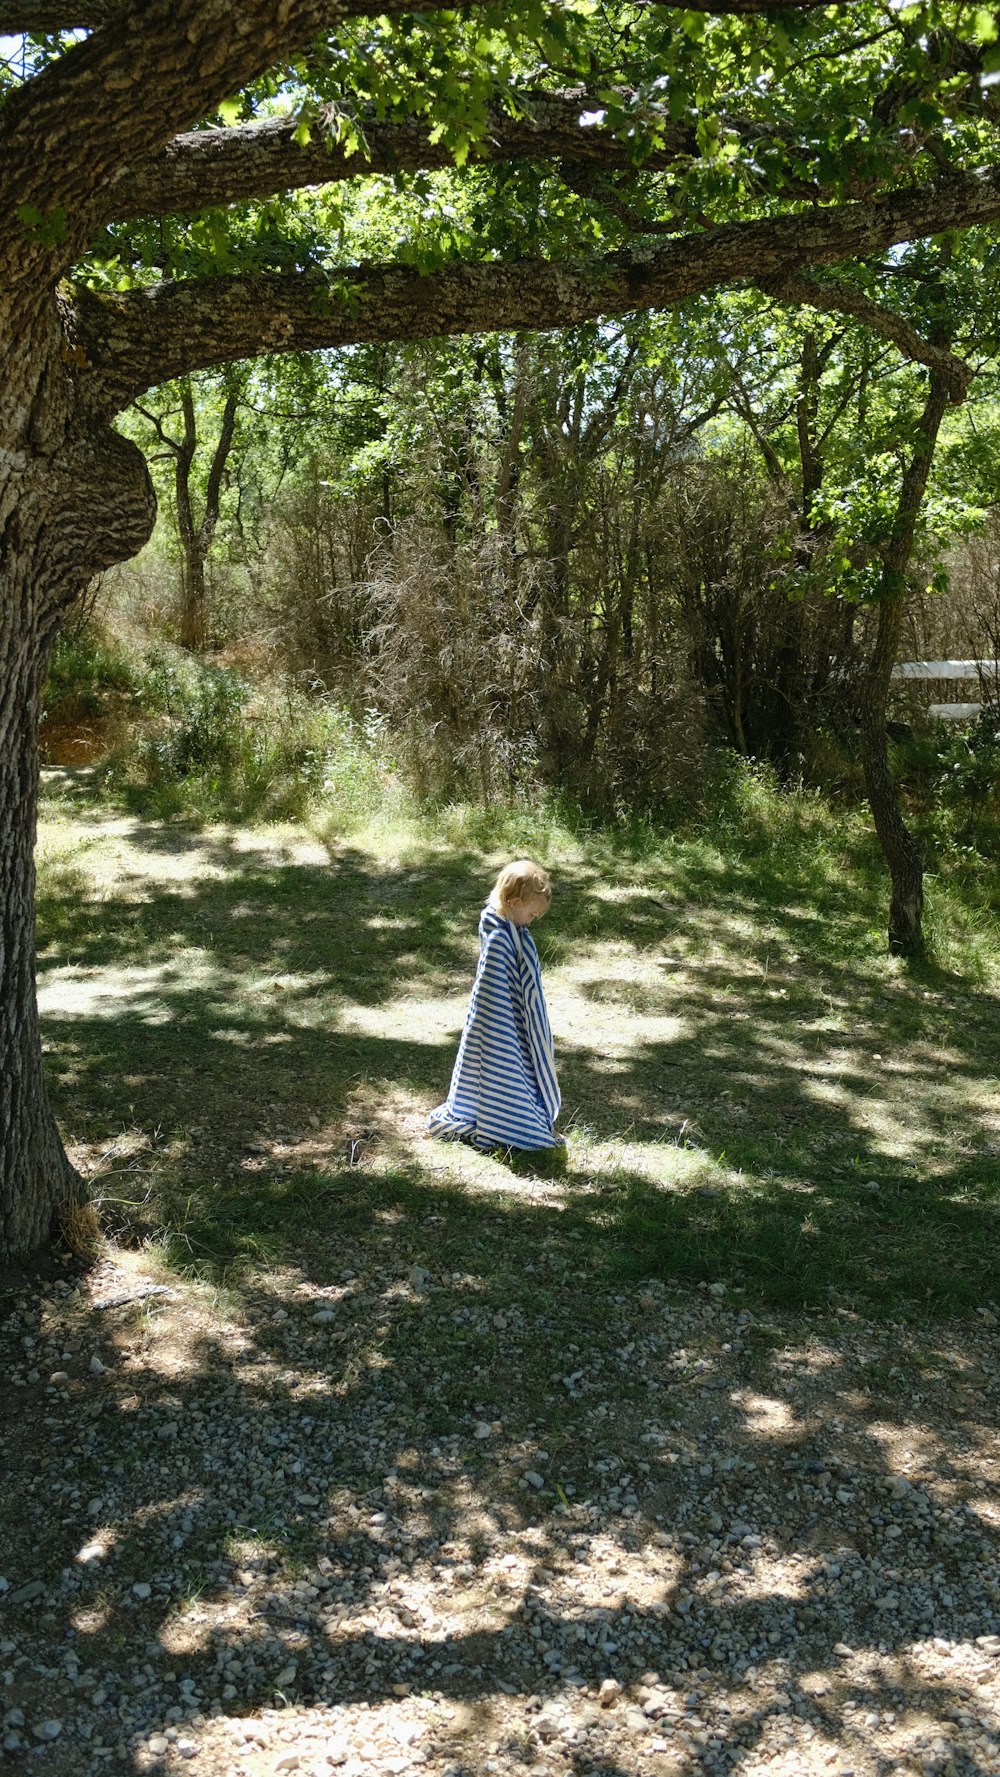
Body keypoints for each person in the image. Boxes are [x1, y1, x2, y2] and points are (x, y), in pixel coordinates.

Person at [427, 858, 562, 1152]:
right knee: (496, 1066)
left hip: (508, 1020)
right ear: (513, 903)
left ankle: (495, 1113)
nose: (531, 921)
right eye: (531, 914)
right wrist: (502, 1022)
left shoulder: (512, 931)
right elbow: (492, 988)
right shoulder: (500, 938)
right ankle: (500, 1121)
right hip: (496, 1023)